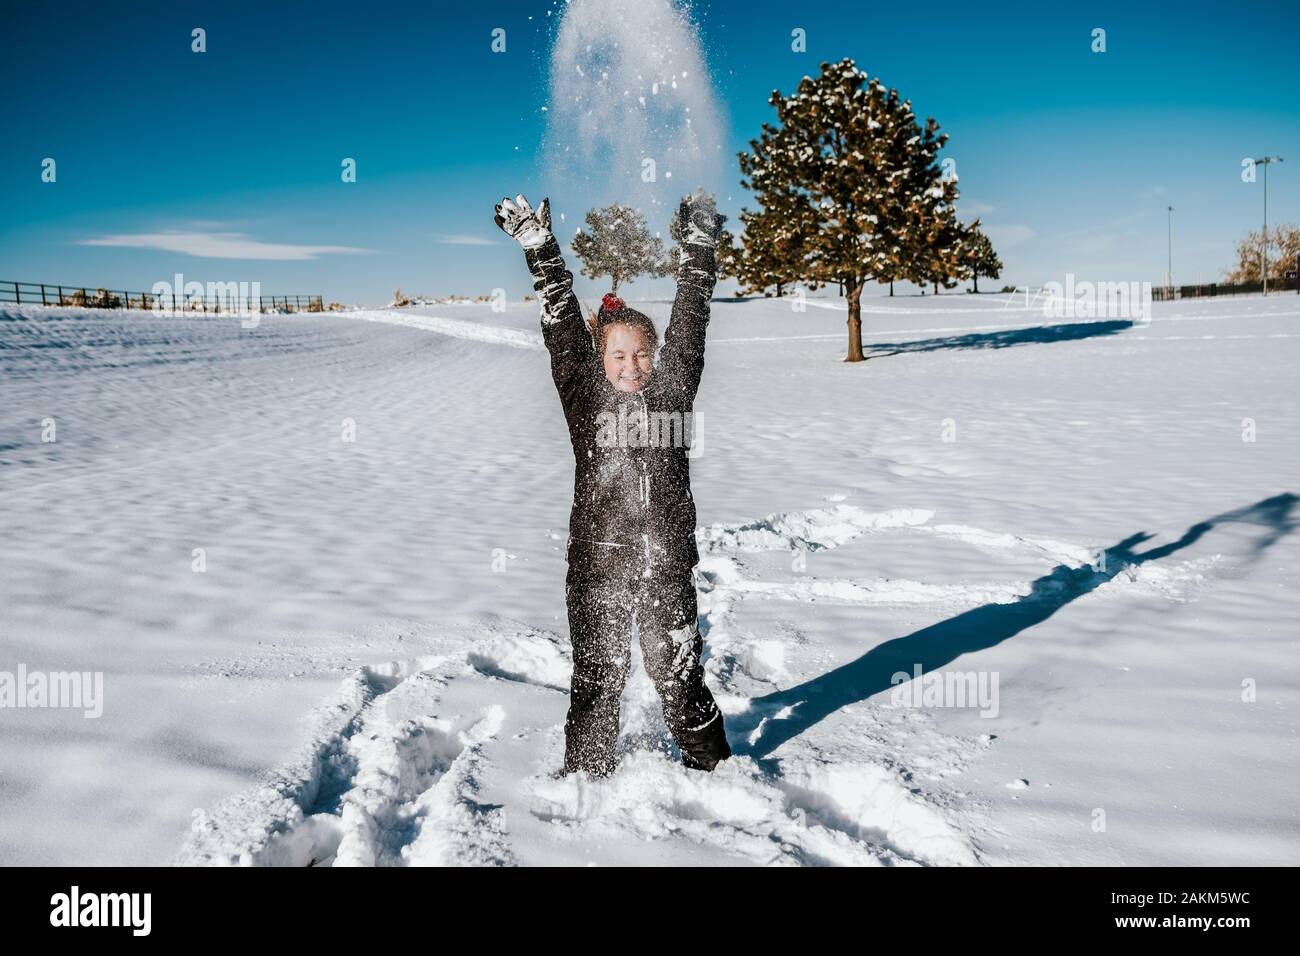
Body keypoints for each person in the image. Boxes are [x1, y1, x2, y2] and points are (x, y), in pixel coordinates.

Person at [494, 191, 732, 777]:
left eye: (643, 354)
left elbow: (692, 316)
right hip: (598, 566)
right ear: (600, 360)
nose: (632, 365)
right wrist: (541, 249)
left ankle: (717, 773)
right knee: (598, 679)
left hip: (666, 564)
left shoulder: (673, 393)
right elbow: (563, 329)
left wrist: (699, 246)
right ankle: (585, 779)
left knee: (680, 677)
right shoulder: (585, 399)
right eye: (619, 355)